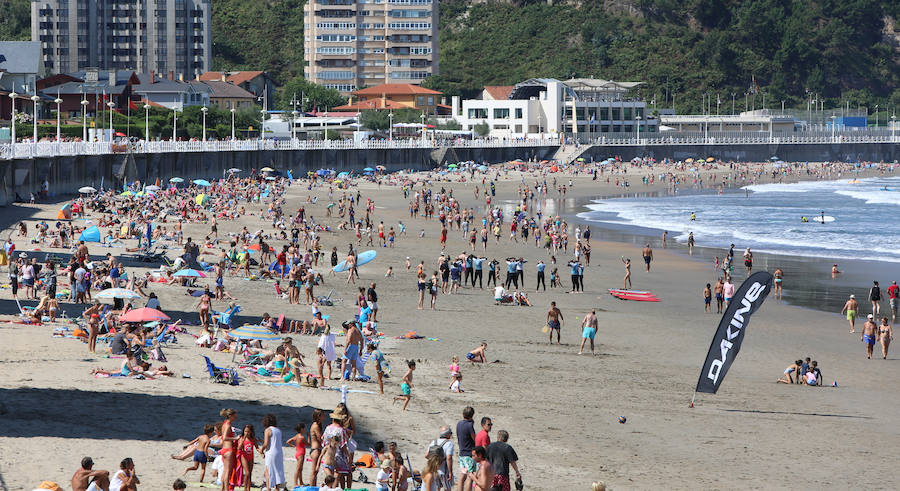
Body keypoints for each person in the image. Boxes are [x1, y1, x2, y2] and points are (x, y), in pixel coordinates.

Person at [260, 414, 286, 490]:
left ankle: (268, 487)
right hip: (279, 452)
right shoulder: (278, 430)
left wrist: (261, 450)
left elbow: (266, 443)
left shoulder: (268, 430)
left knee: (269, 469)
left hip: (271, 452)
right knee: (278, 469)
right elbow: (274, 441)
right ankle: (277, 487)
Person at [426, 426, 455, 490]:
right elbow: (449, 458)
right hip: (443, 470)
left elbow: (426, 455)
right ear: (447, 434)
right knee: (447, 488)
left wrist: (435, 460)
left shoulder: (433, 442)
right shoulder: (449, 443)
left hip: (433, 469)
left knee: (436, 488)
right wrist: (450, 472)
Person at [456, 407, 477, 491]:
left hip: (462, 453)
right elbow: (474, 438)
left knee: (462, 476)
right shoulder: (469, 425)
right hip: (469, 454)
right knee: (470, 476)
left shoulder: (459, 423)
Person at [219, 408, 238, 491]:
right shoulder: (228, 425)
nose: (236, 417)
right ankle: (226, 489)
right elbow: (225, 438)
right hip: (228, 449)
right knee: (227, 472)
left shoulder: (224, 424)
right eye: (234, 416)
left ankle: (223, 488)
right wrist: (235, 438)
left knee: (224, 471)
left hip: (224, 449)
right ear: (230, 416)